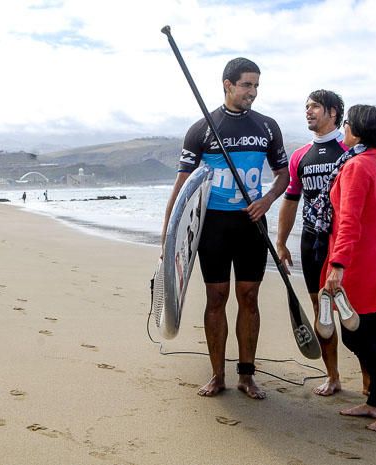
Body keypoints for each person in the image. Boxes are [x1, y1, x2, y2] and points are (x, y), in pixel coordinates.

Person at [161, 57, 289, 399]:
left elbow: (283, 174)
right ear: (227, 84)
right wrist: (168, 232)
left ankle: (246, 375)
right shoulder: (203, 128)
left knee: (249, 297)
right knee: (216, 297)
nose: (253, 92)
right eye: (247, 84)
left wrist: (268, 200)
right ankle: (217, 374)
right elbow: (183, 182)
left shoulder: (267, 127)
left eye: (257, 85)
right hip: (213, 225)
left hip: (251, 223)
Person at [276, 90, 376, 396]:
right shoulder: (300, 156)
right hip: (313, 239)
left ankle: (371, 384)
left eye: (314, 107)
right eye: (306, 106)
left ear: (334, 112)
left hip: (346, 243)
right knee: (321, 308)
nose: (307, 111)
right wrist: (281, 241)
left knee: (357, 314)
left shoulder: (352, 151)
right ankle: (332, 375)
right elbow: (292, 200)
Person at [320, 104, 376, 431]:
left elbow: (349, 221)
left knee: (357, 337)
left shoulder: (357, 166)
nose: (343, 128)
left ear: (356, 131)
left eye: (346, 124)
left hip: (358, 262)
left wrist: (338, 264)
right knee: (375, 331)